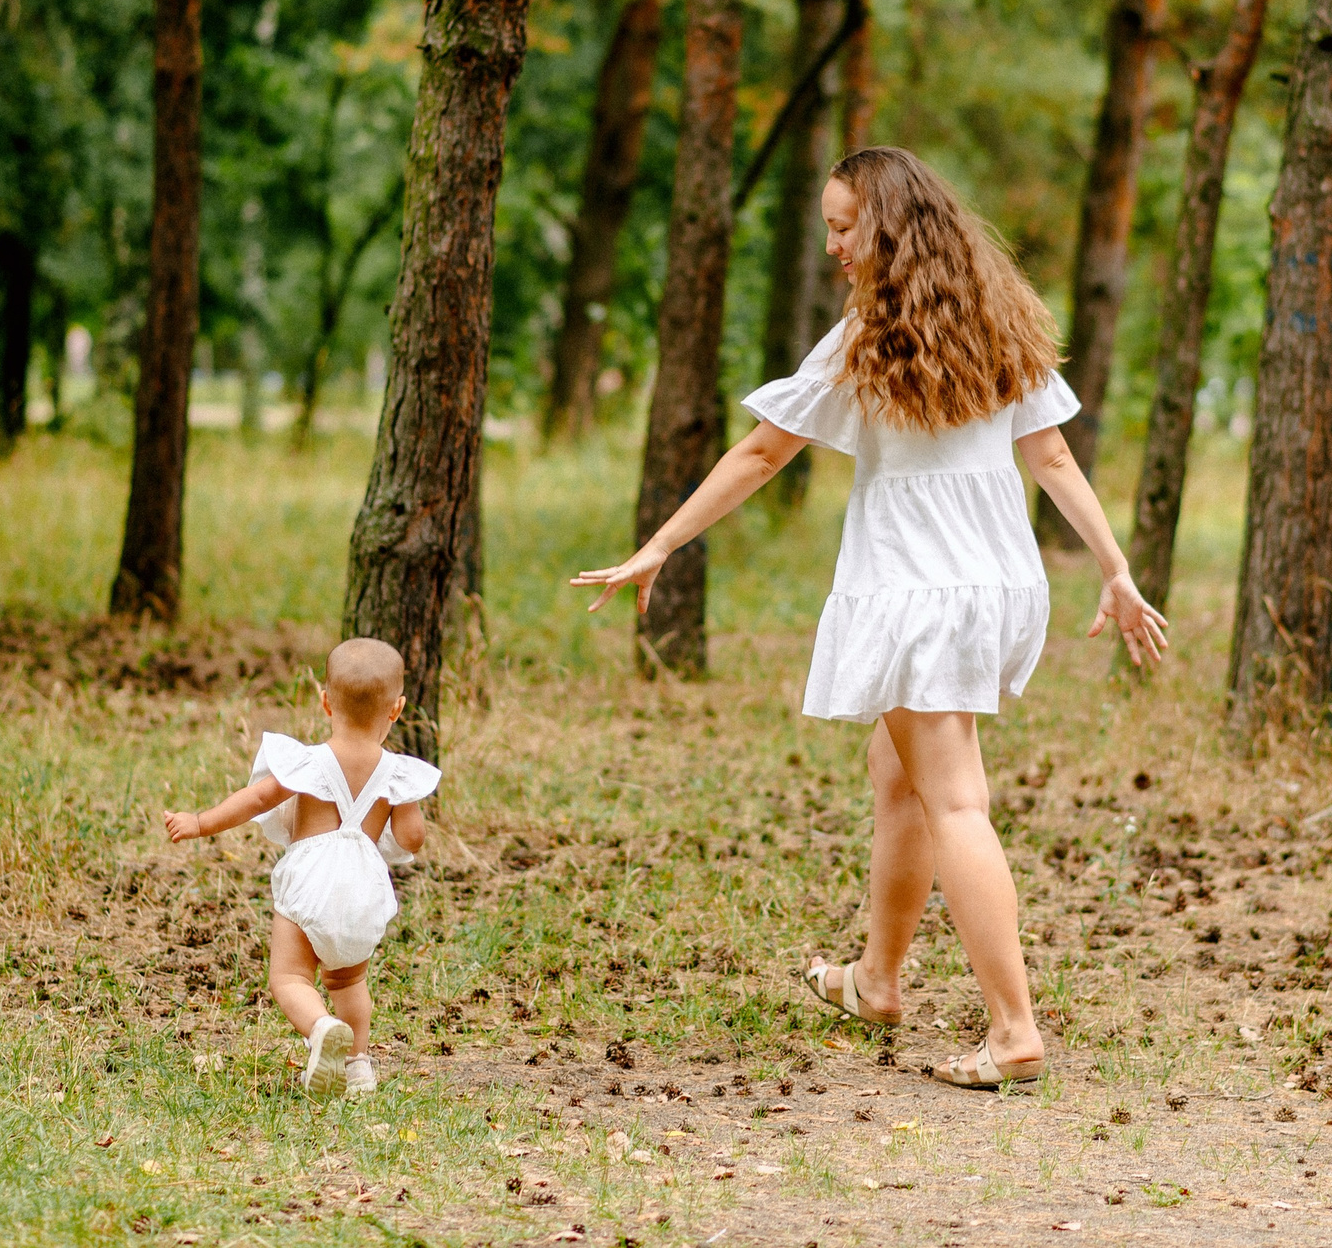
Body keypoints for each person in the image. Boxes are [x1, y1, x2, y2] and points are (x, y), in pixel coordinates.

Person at [572, 146, 1168, 1090]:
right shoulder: (996, 319)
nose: (832, 244)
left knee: (957, 800)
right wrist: (1113, 566)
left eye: (845, 226)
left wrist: (660, 544)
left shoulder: (867, 337)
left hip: (915, 590)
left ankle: (1014, 1032)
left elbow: (764, 455)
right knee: (898, 774)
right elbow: (1049, 458)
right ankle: (876, 980)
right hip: (993, 586)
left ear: (888, 227)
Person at [164, 637, 438, 1097]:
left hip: (310, 878)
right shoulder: (397, 774)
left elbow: (255, 801)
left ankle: (320, 1027)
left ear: (325, 701)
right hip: (363, 887)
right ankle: (357, 1067)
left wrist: (200, 822)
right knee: (349, 980)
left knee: (290, 976)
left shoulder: (308, 762)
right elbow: (412, 838)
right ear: (397, 710)